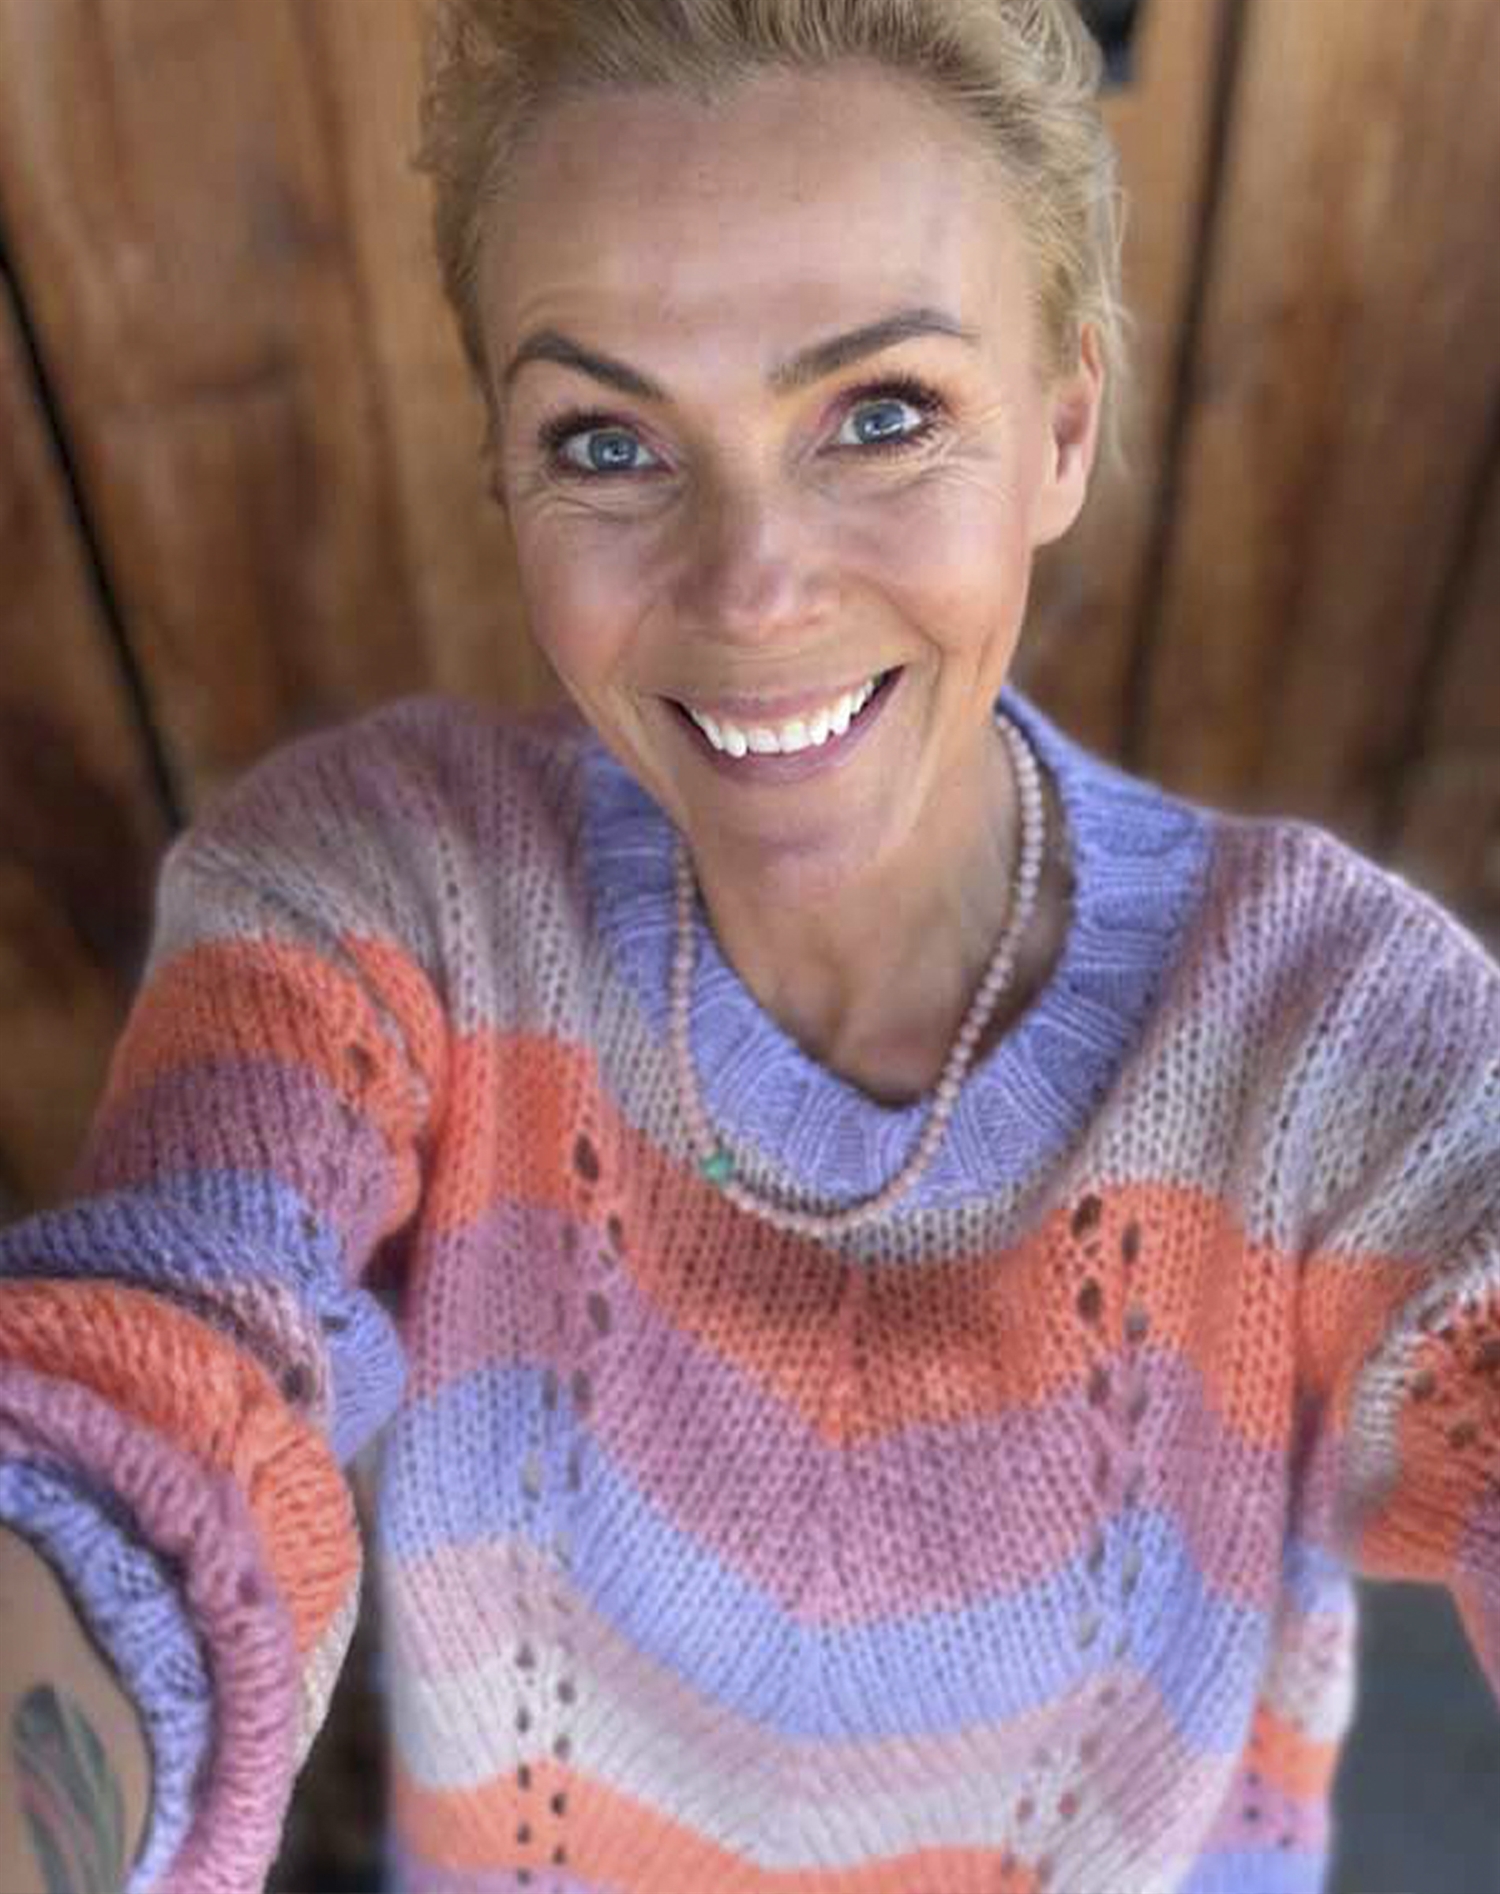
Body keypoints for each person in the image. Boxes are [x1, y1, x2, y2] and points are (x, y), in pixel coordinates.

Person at [1, 1, 1497, 1889]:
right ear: (504, 474)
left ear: (1062, 426)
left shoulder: (1340, 1036)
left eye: (881, 414)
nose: (752, 588)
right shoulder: (379, 897)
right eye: (610, 441)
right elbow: (161, 1403)